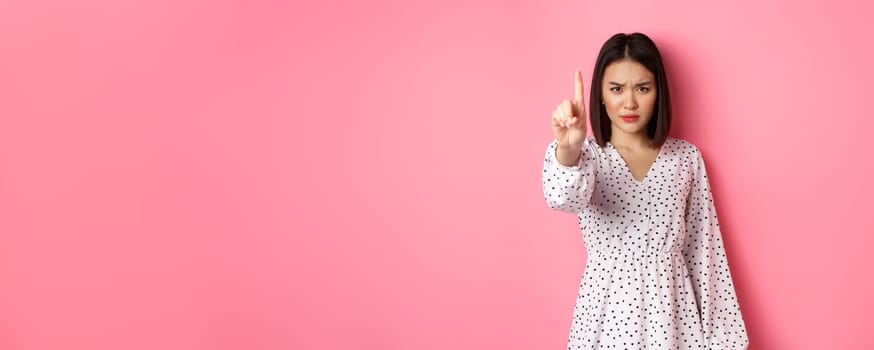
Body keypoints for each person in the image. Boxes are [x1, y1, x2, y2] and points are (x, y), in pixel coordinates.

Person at [542, 33, 748, 349]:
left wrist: (722, 340)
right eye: (616, 89)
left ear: (659, 92)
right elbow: (562, 197)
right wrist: (568, 149)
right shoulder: (588, 157)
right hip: (605, 319)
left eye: (642, 88)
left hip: (674, 321)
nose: (630, 102)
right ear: (600, 94)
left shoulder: (685, 159)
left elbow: (704, 253)